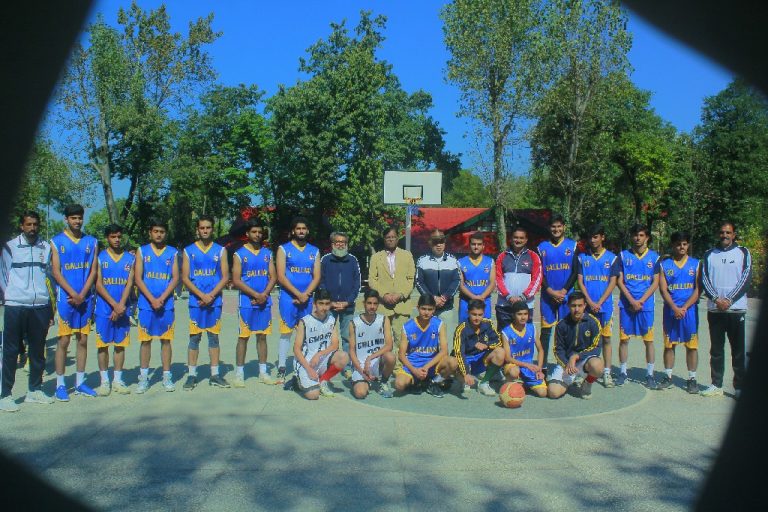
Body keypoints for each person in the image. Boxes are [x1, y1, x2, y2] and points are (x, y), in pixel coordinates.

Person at [0, 211, 54, 412]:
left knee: (37, 351)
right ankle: (5, 394)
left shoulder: (46, 247)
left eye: (35, 224)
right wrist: (10, 296)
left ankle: (35, 390)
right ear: (21, 226)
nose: (32, 228)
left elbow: (49, 276)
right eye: (29, 224)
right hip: (15, 304)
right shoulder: (10, 246)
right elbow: (3, 274)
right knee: (11, 351)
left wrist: (49, 306)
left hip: (39, 305)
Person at [50, 203, 99, 401]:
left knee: (83, 340)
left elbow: (93, 271)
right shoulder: (56, 241)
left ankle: (79, 382)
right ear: (66, 219)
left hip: (85, 298)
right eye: (73, 218)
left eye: (79, 218)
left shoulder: (92, 241)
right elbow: (56, 272)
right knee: (63, 341)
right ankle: (60, 384)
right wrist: (73, 294)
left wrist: (83, 294)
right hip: (66, 299)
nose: (77, 221)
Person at [700, 221, 752, 398]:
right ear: (718, 234)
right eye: (722, 232)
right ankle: (716, 384)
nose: (725, 235)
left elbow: (746, 279)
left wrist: (729, 300)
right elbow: (704, 279)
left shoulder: (743, 253)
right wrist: (716, 299)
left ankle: (740, 387)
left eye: (728, 232)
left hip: (736, 310)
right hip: (715, 310)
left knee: (738, 351)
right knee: (716, 350)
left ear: (734, 235)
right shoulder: (709, 254)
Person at [181, 215, 230, 390]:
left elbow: (225, 276)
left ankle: (215, 375)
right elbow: (185, 278)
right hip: (196, 301)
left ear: (212, 229)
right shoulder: (189, 251)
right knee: (194, 338)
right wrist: (202, 295)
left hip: (214, 301)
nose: (205, 230)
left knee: (213, 338)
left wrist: (211, 296)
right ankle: (191, 375)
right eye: (202, 228)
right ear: (197, 229)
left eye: (208, 227)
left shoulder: (220, 250)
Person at [231, 219, 278, 387]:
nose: (257, 235)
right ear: (247, 233)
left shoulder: (267, 253)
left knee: (262, 336)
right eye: (254, 232)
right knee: (243, 337)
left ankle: (263, 372)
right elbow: (237, 280)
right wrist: (255, 294)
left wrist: (263, 294)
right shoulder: (239, 254)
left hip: (264, 301)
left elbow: (273, 276)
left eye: (259, 232)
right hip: (247, 302)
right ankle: (239, 374)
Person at [134, 219, 179, 393]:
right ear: (150, 233)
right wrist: (152, 299)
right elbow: (138, 278)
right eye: (156, 231)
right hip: (146, 304)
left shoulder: (172, 252)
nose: (159, 234)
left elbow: (175, 278)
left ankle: (167, 376)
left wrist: (162, 298)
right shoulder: (142, 251)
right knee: (145, 341)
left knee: (166, 340)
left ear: (165, 233)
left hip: (166, 304)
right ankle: (143, 378)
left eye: (162, 231)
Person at [275, 216, 321, 383]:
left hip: (307, 299)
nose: (301, 231)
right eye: (298, 228)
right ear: (293, 231)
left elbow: (316, 276)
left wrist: (305, 294)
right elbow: (281, 276)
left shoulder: (314, 251)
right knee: (286, 333)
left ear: (307, 231)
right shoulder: (283, 249)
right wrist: (297, 294)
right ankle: (281, 367)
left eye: (304, 228)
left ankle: (301, 367)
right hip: (288, 298)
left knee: (305, 334)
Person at [616, 224, 661, 390]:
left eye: (641, 235)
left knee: (648, 341)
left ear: (647, 237)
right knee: (624, 340)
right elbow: (619, 281)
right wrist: (631, 300)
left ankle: (650, 374)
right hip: (627, 304)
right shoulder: (623, 255)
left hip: (645, 305)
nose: (638, 238)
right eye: (635, 235)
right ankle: (622, 372)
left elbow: (655, 282)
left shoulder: (654, 257)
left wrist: (640, 301)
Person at [576, 223, 620, 388]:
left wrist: (599, 302)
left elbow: (613, 282)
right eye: (590, 237)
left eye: (596, 237)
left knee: (606, 338)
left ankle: (607, 372)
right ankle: (583, 371)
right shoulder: (582, 257)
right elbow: (580, 281)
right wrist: (589, 301)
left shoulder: (612, 258)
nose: (593, 240)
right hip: (588, 306)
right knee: (585, 339)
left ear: (602, 237)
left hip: (605, 307)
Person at [93, 224, 135, 396]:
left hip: (123, 308)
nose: (117, 240)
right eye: (113, 236)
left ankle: (118, 380)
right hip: (104, 309)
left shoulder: (130, 259)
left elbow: (129, 283)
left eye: (119, 236)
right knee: (102, 346)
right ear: (107, 238)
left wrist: (121, 305)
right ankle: (104, 381)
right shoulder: (100, 258)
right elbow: (98, 284)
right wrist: (114, 305)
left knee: (120, 345)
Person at [658, 231, 701, 394]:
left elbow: (698, 290)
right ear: (673, 245)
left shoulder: (695, 264)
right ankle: (668, 376)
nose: (681, 247)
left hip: (689, 311)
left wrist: (684, 307)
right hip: (671, 311)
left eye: (684, 244)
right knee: (669, 345)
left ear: (688, 245)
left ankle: (692, 379)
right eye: (678, 244)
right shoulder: (665, 265)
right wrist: (675, 308)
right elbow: (663, 290)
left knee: (692, 346)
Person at [290, 288, 350, 400]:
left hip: (322, 359)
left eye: (327, 304)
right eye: (321, 303)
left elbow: (335, 344)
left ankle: (323, 381)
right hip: (307, 362)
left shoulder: (331, 319)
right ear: (314, 304)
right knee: (313, 395)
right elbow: (296, 349)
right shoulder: (305, 321)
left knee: (344, 356)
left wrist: (319, 354)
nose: (324, 307)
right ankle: (297, 380)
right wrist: (308, 369)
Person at [537, 214, 578, 373]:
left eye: (559, 226)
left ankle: (565, 365)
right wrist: (550, 291)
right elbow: (539, 273)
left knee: (567, 330)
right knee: (546, 332)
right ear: (549, 228)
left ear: (564, 227)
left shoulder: (572, 245)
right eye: (553, 226)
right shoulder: (541, 247)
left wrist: (564, 291)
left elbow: (575, 271)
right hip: (548, 296)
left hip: (566, 296)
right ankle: (543, 367)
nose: (556, 229)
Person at [394, 294, 457, 398]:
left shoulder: (439, 324)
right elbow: (401, 355)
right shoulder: (408, 326)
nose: (426, 312)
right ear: (418, 308)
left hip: (432, 364)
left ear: (434, 310)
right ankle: (416, 382)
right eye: (423, 309)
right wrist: (414, 370)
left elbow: (444, 351)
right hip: (413, 364)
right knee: (399, 385)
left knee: (453, 362)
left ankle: (434, 382)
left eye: (430, 309)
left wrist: (426, 367)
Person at [547, 292, 604, 400]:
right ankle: (569, 382)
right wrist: (566, 364)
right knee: (553, 393)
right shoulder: (562, 324)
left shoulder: (593, 322)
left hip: (584, 361)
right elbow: (558, 349)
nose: (576, 309)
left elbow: (596, 347)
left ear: (585, 305)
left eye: (579, 305)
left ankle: (587, 383)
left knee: (597, 365)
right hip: (567, 363)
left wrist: (576, 356)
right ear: (568, 305)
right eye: (573, 305)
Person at [367, 226, 415, 353]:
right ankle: (385, 363)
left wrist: (401, 294)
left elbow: (410, 279)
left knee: (401, 339)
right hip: (383, 305)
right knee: (383, 340)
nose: (391, 239)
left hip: (402, 304)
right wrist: (383, 295)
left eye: (393, 237)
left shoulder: (407, 255)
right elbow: (372, 280)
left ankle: (400, 364)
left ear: (397, 238)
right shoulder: (376, 257)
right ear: (384, 239)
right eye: (388, 237)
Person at [319, 231, 361, 376]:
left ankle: (347, 367)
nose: (340, 244)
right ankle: (326, 365)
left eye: (343, 242)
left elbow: (357, 284)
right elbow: (321, 282)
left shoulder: (353, 260)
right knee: (327, 337)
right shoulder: (325, 260)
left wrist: (347, 301)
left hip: (347, 306)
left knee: (347, 337)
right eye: (337, 242)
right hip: (329, 306)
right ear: (332, 244)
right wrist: (330, 302)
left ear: (346, 244)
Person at [450, 298, 504, 397]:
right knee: (457, 367)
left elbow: (499, 341)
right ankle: (462, 378)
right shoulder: (461, 329)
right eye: (474, 314)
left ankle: (483, 383)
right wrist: (465, 373)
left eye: (480, 315)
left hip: (480, 359)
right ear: (468, 313)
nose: (477, 318)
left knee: (500, 352)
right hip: (465, 359)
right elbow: (458, 353)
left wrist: (486, 345)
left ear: (484, 314)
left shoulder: (487, 323)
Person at [349, 289, 396, 399]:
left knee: (391, 357)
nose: (372, 306)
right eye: (369, 303)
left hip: (377, 362)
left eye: (375, 304)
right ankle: (362, 380)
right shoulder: (354, 323)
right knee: (360, 394)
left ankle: (383, 382)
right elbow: (351, 350)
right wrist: (362, 371)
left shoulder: (383, 320)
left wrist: (370, 358)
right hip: (361, 365)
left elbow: (389, 345)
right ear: (364, 303)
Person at [495, 226, 542, 332]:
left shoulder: (533, 256)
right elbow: (497, 278)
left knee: (524, 336)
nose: (518, 240)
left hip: (525, 305)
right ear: (511, 239)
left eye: (521, 238)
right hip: (504, 305)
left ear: (526, 240)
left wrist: (523, 296)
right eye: (516, 237)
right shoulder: (502, 256)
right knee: (504, 336)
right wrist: (508, 296)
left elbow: (537, 279)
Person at [500, 301, 548, 398]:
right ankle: (509, 381)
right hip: (513, 365)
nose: (523, 317)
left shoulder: (532, 328)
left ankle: (524, 383)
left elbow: (541, 350)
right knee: (514, 372)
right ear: (513, 315)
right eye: (519, 314)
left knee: (543, 393)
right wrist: (526, 365)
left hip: (528, 366)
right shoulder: (506, 332)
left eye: (525, 314)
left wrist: (539, 369)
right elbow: (508, 358)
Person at [415, 229, 461, 318]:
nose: (439, 245)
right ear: (430, 243)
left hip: (447, 307)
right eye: (435, 242)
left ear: (445, 243)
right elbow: (419, 282)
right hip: (428, 308)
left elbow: (457, 280)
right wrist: (433, 298)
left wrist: (445, 297)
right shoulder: (422, 260)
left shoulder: (453, 260)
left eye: (441, 241)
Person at [457, 232, 495, 322]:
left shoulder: (490, 261)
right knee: (464, 328)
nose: (476, 247)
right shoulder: (460, 262)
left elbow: (492, 283)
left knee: (485, 328)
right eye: (473, 244)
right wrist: (473, 297)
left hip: (484, 301)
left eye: (479, 244)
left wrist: (482, 297)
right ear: (469, 245)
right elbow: (460, 285)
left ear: (483, 246)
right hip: (466, 302)